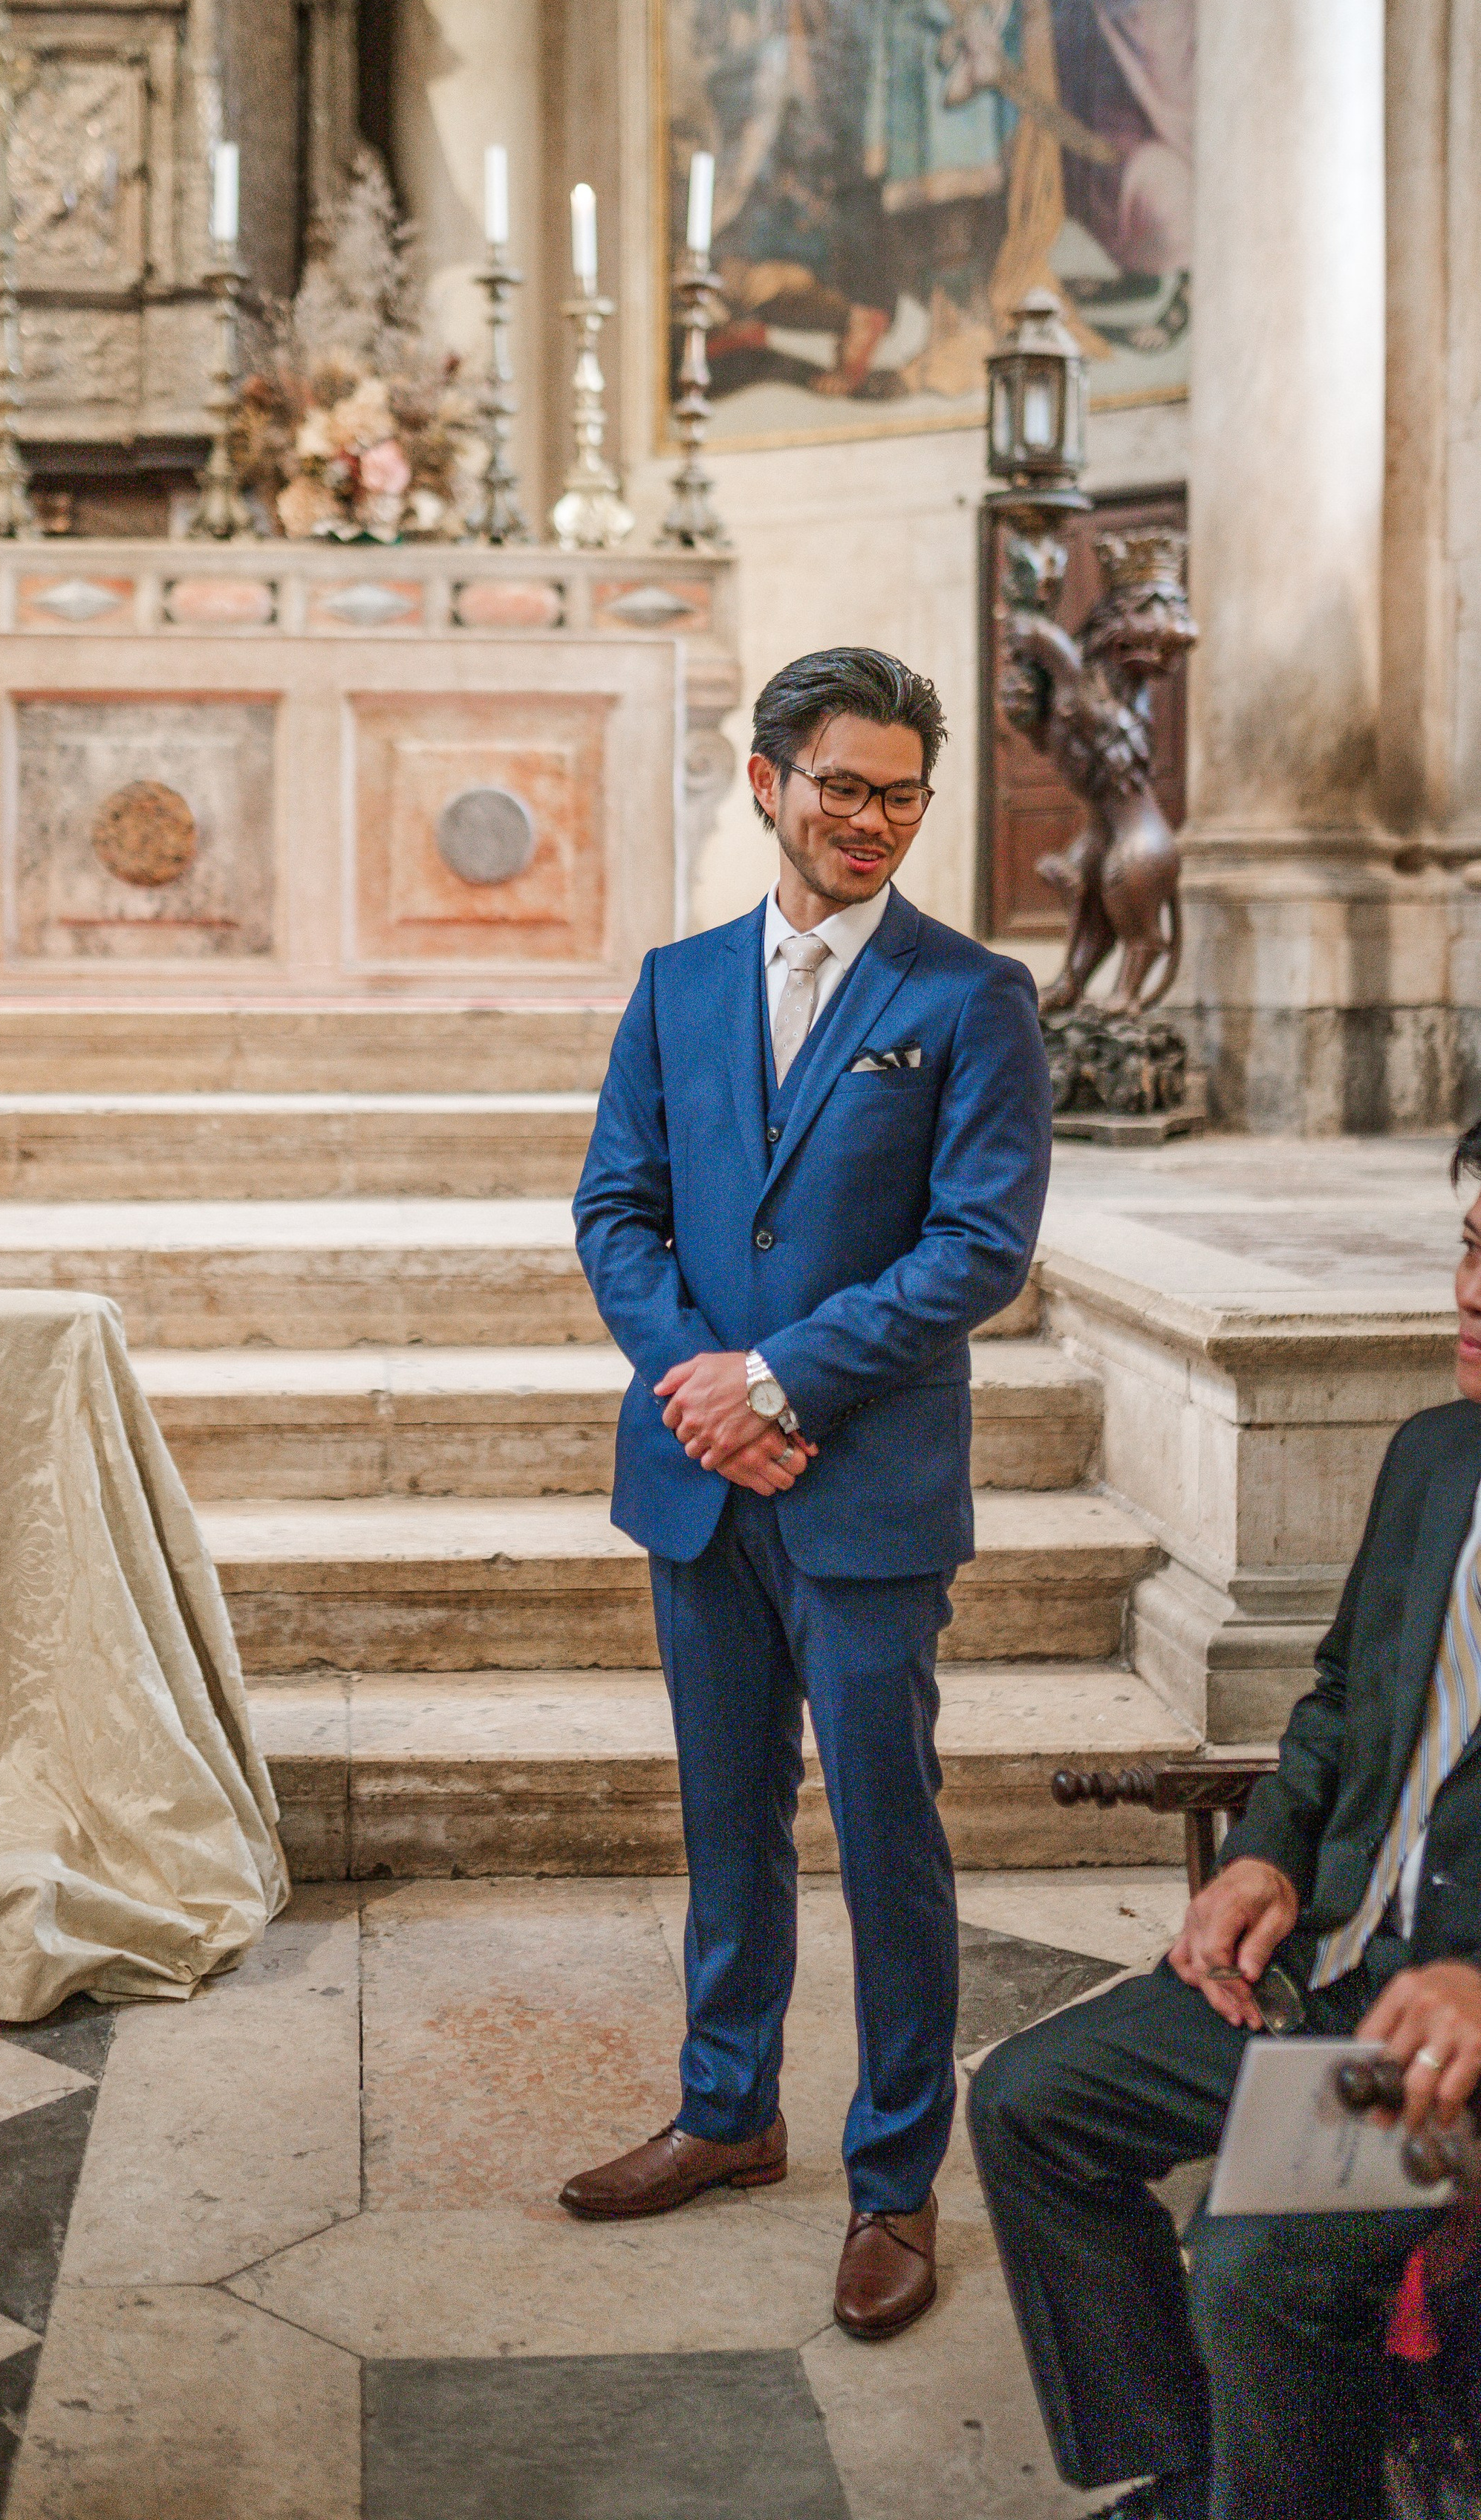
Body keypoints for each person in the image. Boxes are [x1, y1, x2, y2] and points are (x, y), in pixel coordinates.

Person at [562, 645, 1052, 2338]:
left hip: (861, 1481)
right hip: (703, 1483)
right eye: (841, 785)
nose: (870, 820)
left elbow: (977, 1246)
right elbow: (614, 1209)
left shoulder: (966, 996)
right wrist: (701, 1388)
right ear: (766, 780)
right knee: (723, 1819)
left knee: (886, 1832)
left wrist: (779, 1380)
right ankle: (726, 2111)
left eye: (901, 794)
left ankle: (894, 2172)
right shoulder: (678, 983)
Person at [968, 1124, 1481, 2520]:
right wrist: (1263, 1850)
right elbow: (1334, 1705)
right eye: (1475, 1249)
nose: (1474, 1294)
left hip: (1439, 2055)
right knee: (1029, 2108)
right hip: (1323, 1968)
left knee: (1256, 2260)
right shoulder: (1440, 1460)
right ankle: (1197, 2476)